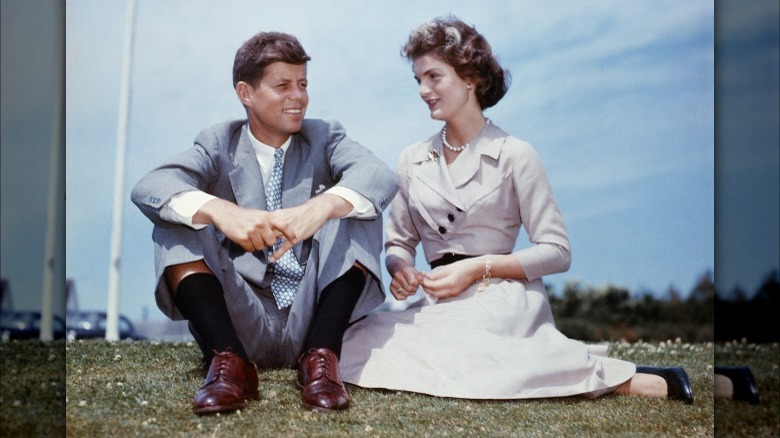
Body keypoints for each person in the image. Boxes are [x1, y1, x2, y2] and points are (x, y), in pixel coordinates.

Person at [339, 17, 693, 404]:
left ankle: (647, 382)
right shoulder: (411, 159)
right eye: (418, 80)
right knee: (354, 343)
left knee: (466, 354)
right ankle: (559, 362)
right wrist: (400, 268)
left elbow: (558, 251)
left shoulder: (516, 154)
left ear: (470, 76)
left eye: (434, 77)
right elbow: (399, 243)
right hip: (437, 305)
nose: (424, 90)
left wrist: (476, 268)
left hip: (502, 297)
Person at [131, 31, 398, 415]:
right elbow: (150, 186)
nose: (298, 97)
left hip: (313, 318)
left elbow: (379, 175)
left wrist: (321, 206)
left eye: (303, 85)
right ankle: (230, 366)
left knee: (354, 204)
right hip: (241, 318)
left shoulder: (325, 136)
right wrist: (221, 211)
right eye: (283, 86)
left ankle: (322, 363)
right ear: (246, 93)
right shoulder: (217, 142)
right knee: (178, 213)